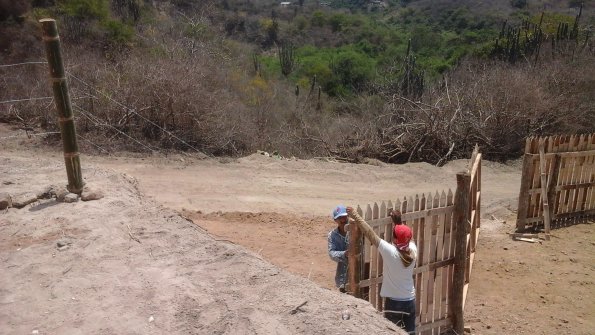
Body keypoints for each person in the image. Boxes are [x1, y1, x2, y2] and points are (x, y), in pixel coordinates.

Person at [347, 206, 417, 334]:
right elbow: (407, 238)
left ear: (395, 239)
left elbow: (370, 233)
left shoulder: (390, 252)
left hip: (394, 303)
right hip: (410, 301)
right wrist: (398, 222)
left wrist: (355, 215)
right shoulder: (413, 251)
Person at [328, 204, 349, 293]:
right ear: (336, 220)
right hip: (343, 276)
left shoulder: (356, 231)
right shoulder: (332, 235)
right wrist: (344, 254)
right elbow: (331, 253)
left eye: (344, 217)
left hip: (359, 273)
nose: (343, 220)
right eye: (340, 217)